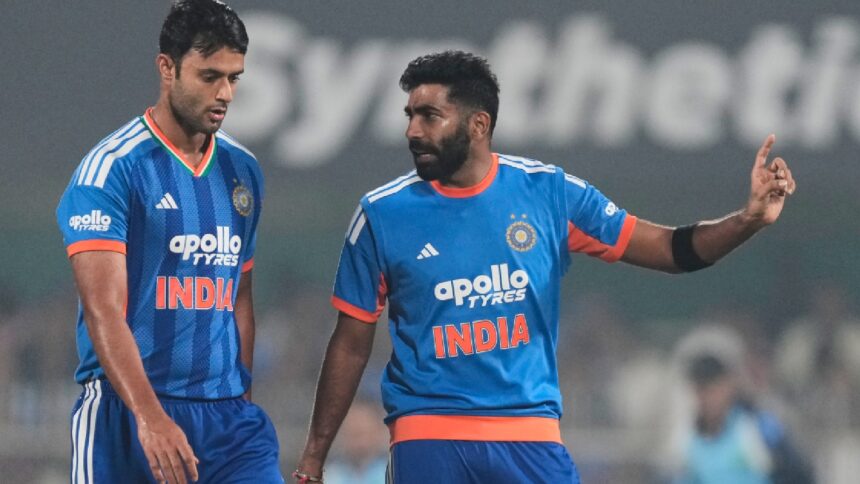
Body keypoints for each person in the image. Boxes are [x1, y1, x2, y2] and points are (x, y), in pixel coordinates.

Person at [294, 50, 796, 483]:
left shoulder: (550, 194)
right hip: (428, 435)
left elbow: (671, 250)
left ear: (478, 124)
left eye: (429, 116)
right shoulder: (381, 214)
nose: (412, 130)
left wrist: (747, 220)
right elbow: (351, 342)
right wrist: (313, 460)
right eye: (409, 115)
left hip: (529, 436)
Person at [56, 1, 282, 482]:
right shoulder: (111, 169)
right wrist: (151, 417)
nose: (224, 93)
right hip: (127, 412)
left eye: (234, 78)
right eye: (209, 76)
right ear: (167, 67)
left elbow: (239, 295)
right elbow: (103, 310)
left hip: (227, 422)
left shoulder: (243, 171)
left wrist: (241, 395)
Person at [673, 354, 813, 484]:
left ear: (729, 385)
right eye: (701, 389)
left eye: (714, 388)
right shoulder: (686, 438)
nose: (708, 397)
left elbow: (798, 473)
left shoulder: (758, 427)